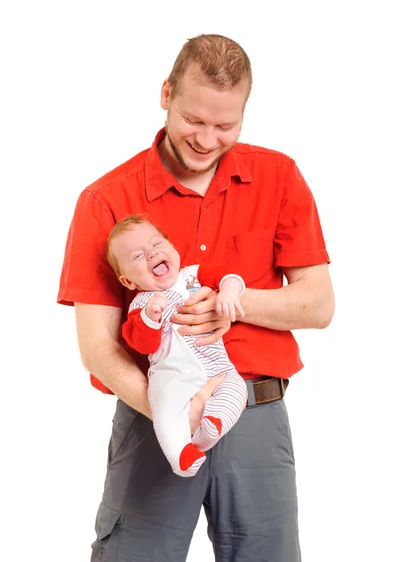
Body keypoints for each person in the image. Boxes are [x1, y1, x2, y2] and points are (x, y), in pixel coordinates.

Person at [57, 33, 335, 562]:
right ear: (166, 93)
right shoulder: (104, 200)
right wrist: (172, 414)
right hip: (153, 416)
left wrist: (235, 303)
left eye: (225, 126)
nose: (207, 139)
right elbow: (96, 347)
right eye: (194, 121)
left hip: (256, 412)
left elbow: (319, 303)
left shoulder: (278, 176)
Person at [106, 214, 248, 477]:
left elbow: (230, 276)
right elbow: (142, 344)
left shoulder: (193, 275)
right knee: (165, 408)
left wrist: (229, 291)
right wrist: (150, 317)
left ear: (172, 248)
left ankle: (212, 425)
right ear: (128, 281)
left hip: (216, 365)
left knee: (237, 389)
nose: (151, 254)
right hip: (174, 375)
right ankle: (179, 454)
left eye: (157, 244)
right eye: (137, 256)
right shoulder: (140, 306)